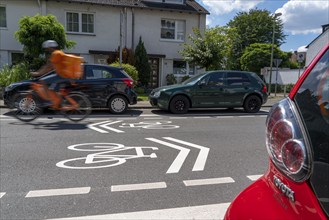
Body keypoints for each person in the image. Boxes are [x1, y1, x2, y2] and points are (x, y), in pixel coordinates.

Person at [30, 40, 68, 108]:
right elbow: (49, 66)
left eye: (47, 48)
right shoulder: (59, 53)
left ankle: (49, 101)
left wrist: (37, 73)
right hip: (63, 74)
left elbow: (48, 67)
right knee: (53, 88)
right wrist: (39, 72)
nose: (47, 50)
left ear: (50, 47)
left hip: (61, 75)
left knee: (43, 81)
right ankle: (57, 102)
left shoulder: (55, 54)